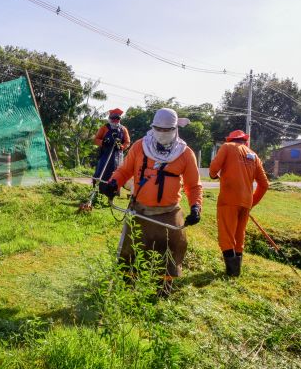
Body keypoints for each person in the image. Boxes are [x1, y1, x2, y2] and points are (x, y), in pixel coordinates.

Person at [101, 108, 202, 293]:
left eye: (167, 130)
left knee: (170, 254)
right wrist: (113, 183)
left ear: (175, 129)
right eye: (158, 129)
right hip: (140, 212)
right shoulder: (140, 147)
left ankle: (162, 292)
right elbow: (124, 171)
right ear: (153, 127)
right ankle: (127, 292)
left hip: (169, 214)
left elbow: (193, 186)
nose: (162, 133)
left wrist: (196, 207)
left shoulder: (185, 154)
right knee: (130, 254)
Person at [208, 129, 270, 277]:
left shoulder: (227, 147)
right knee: (239, 236)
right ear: (245, 141)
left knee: (227, 235)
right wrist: (251, 202)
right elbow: (265, 184)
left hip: (228, 200)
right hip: (246, 202)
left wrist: (213, 175)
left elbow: (213, 169)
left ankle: (231, 272)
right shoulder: (254, 156)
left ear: (230, 140)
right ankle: (236, 273)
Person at [93, 108, 130, 185]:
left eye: (117, 118)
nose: (115, 120)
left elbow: (127, 142)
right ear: (110, 118)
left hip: (118, 155)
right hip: (105, 154)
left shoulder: (123, 129)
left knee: (116, 174)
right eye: (113, 118)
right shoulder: (104, 128)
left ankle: (113, 191)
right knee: (101, 171)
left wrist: (121, 147)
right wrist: (103, 142)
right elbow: (96, 139)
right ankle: (97, 188)